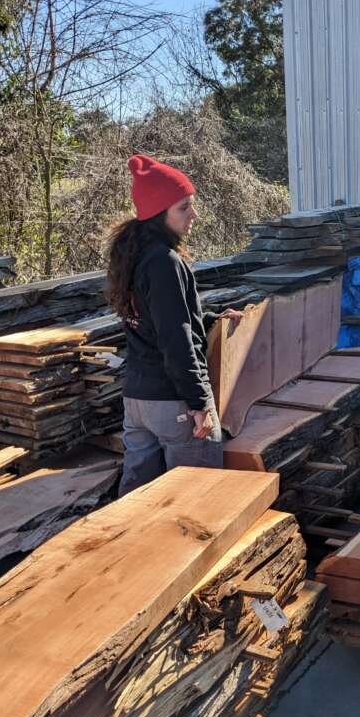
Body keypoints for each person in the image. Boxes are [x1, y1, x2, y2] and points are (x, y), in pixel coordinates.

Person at [106, 155, 242, 496]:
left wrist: (209, 320)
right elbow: (176, 340)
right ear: (158, 213)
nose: (193, 215)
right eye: (184, 207)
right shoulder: (165, 262)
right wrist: (197, 404)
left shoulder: (132, 256)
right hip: (173, 403)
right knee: (194, 499)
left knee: (136, 500)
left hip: (138, 401)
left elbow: (153, 321)